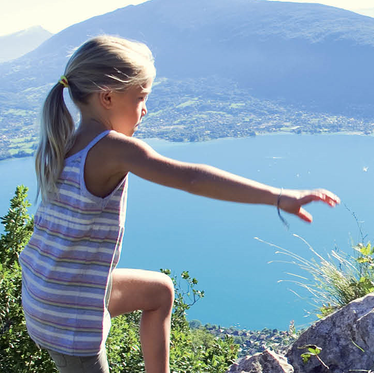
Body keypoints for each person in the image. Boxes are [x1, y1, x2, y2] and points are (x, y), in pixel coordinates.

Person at [19, 35, 340, 373]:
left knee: (159, 291)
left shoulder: (63, 139)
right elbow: (191, 178)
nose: (145, 109)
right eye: (141, 97)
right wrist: (278, 196)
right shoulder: (113, 148)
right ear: (108, 97)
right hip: (70, 323)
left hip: (50, 292)